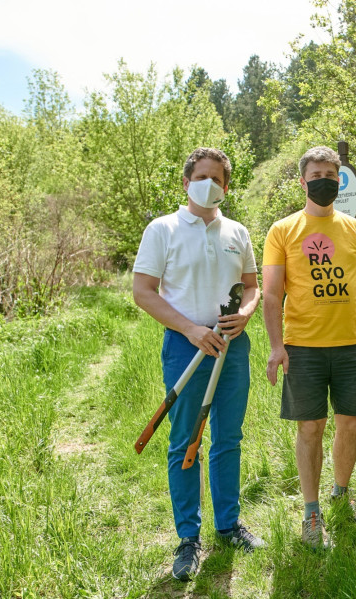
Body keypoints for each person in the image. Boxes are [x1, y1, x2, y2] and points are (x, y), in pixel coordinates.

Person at [133, 147, 263, 581]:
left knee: (229, 437)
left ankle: (228, 526)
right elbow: (144, 292)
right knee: (185, 440)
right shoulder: (162, 229)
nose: (210, 184)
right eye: (202, 176)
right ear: (186, 182)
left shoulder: (238, 232)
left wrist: (245, 314)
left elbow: (251, 286)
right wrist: (190, 330)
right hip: (186, 345)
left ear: (226, 187)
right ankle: (188, 538)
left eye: (219, 179)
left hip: (232, 347)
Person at [261, 145, 356, 550]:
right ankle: (311, 511)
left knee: (351, 424)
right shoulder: (282, 230)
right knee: (310, 428)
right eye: (317, 175)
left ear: (339, 180)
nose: (325, 181)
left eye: (332, 175)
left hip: (351, 344)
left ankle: (341, 493)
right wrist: (277, 346)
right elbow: (272, 294)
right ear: (303, 181)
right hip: (303, 347)